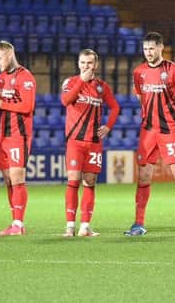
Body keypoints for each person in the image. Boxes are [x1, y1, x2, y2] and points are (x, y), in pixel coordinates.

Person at [124, 31, 175, 236]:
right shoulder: (139, 72)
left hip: (169, 131)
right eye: (145, 49)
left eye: (152, 48)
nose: (148, 52)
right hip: (148, 131)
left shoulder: (174, 70)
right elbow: (140, 97)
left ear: (160, 48)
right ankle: (138, 223)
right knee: (144, 176)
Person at [60, 49, 120, 237]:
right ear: (78, 64)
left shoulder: (102, 87)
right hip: (75, 141)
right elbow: (65, 100)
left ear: (96, 65)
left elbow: (115, 107)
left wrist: (108, 126)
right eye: (83, 62)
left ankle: (85, 226)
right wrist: (81, 81)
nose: (86, 66)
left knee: (90, 182)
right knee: (73, 180)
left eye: (89, 63)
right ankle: (70, 226)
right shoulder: (70, 82)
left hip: (94, 142)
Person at [0, 41, 36, 236]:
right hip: (2, 134)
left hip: (18, 134)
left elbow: (27, 107)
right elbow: (1, 106)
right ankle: (15, 223)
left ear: (10, 54)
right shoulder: (1, 78)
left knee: (17, 178)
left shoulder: (25, 77)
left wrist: (0, 102)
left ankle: (19, 224)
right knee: (7, 180)